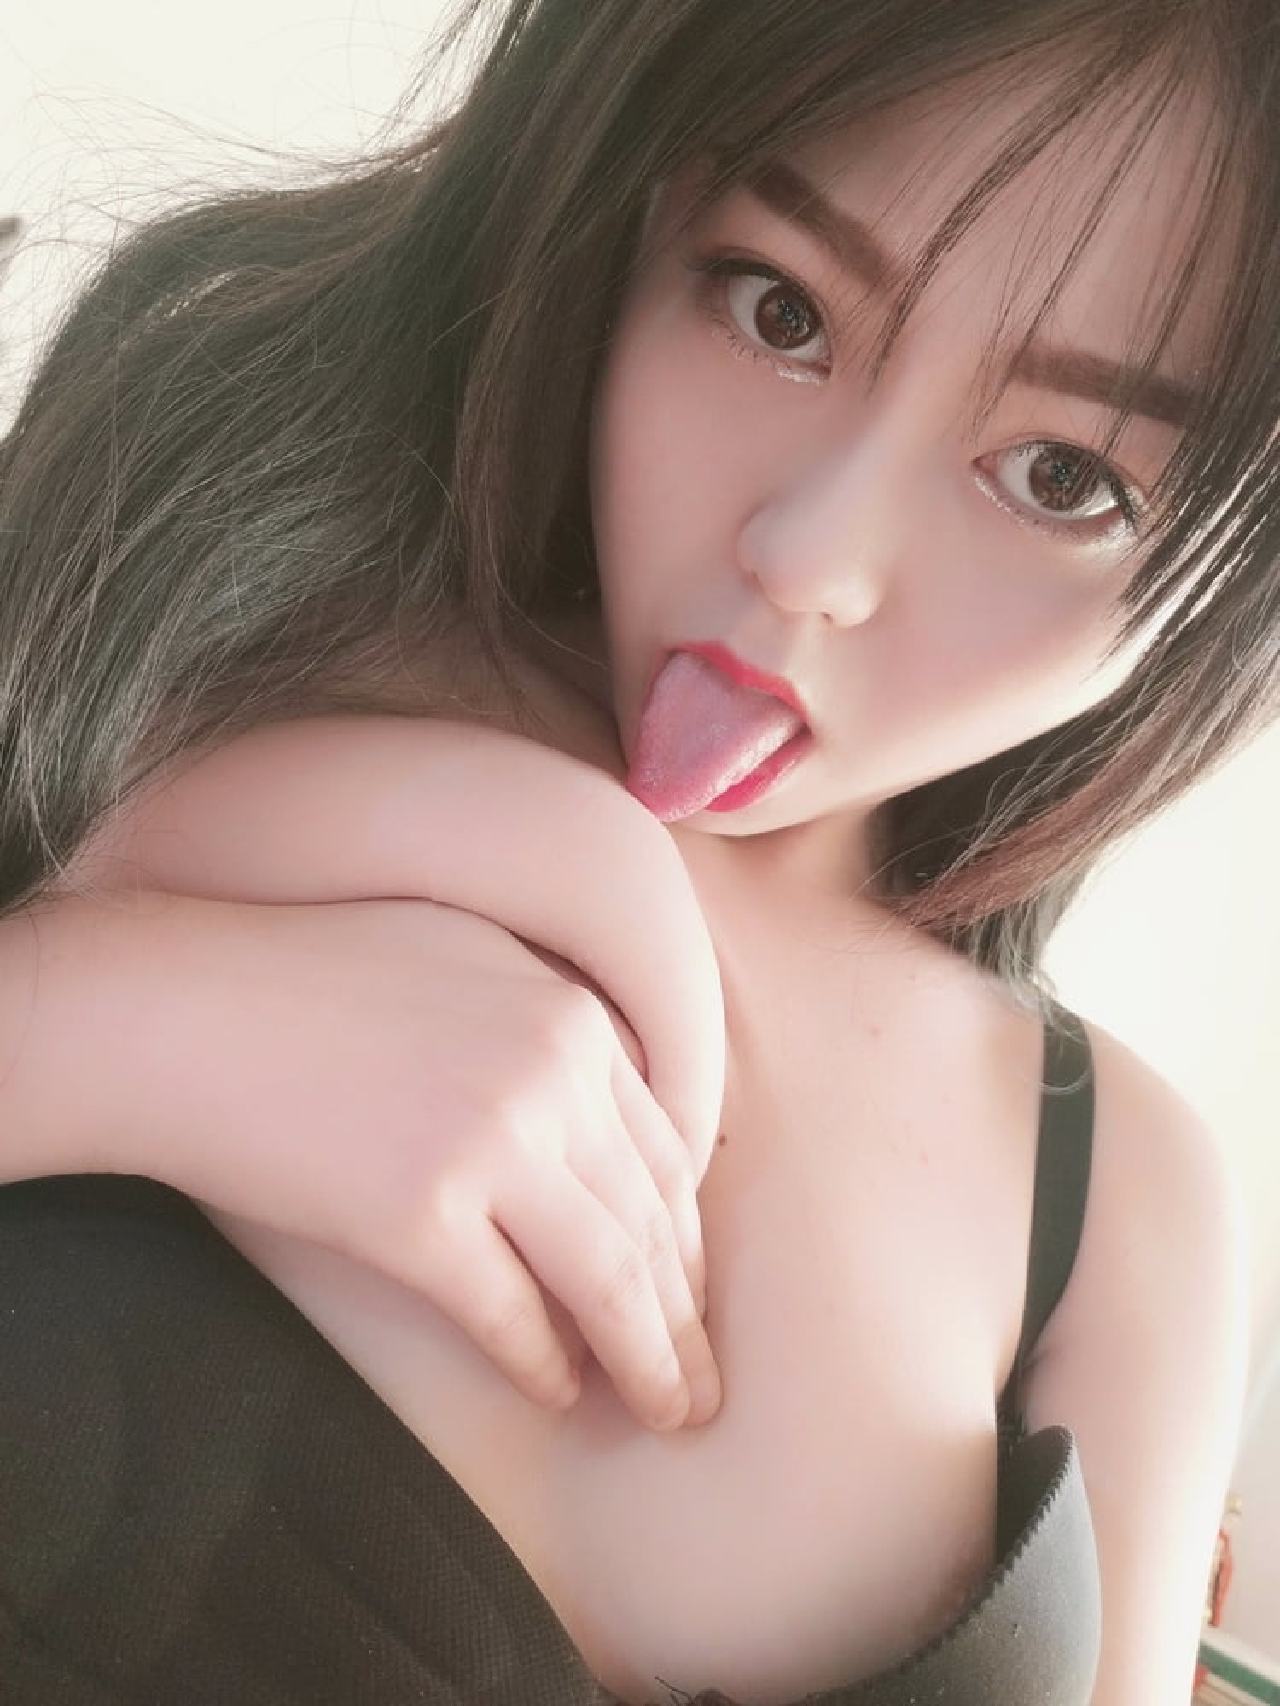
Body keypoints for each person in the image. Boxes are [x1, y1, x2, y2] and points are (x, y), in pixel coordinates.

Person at [0, 0, 1270, 1700]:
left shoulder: (1119, 1201)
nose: (813, 555)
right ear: (623, 207)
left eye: (1062, 475)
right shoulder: (159, 615)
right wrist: (110, 1022)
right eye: (779, 309)